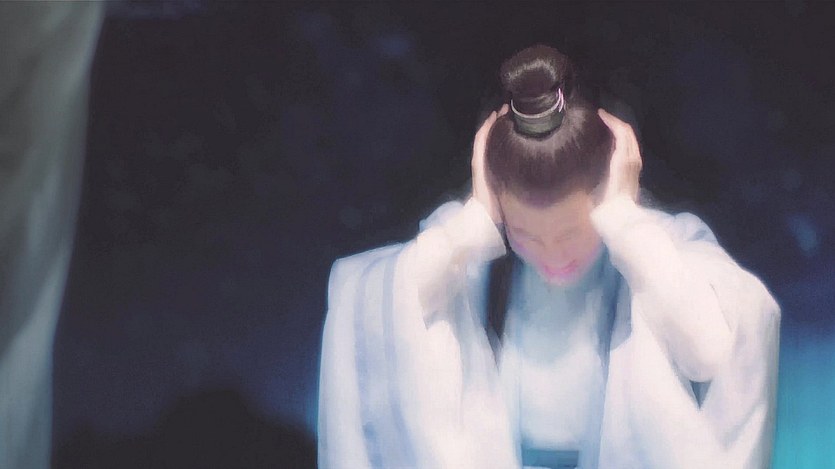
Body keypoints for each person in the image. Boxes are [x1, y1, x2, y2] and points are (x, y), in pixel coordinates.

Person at [318, 44, 780, 469]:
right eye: (525, 234)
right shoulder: (467, 249)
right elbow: (375, 307)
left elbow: (713, 350)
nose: (553, 254)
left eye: (572, 232)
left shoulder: (656, 247)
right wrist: (477, 218)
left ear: (609, 190)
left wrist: (624, 220)